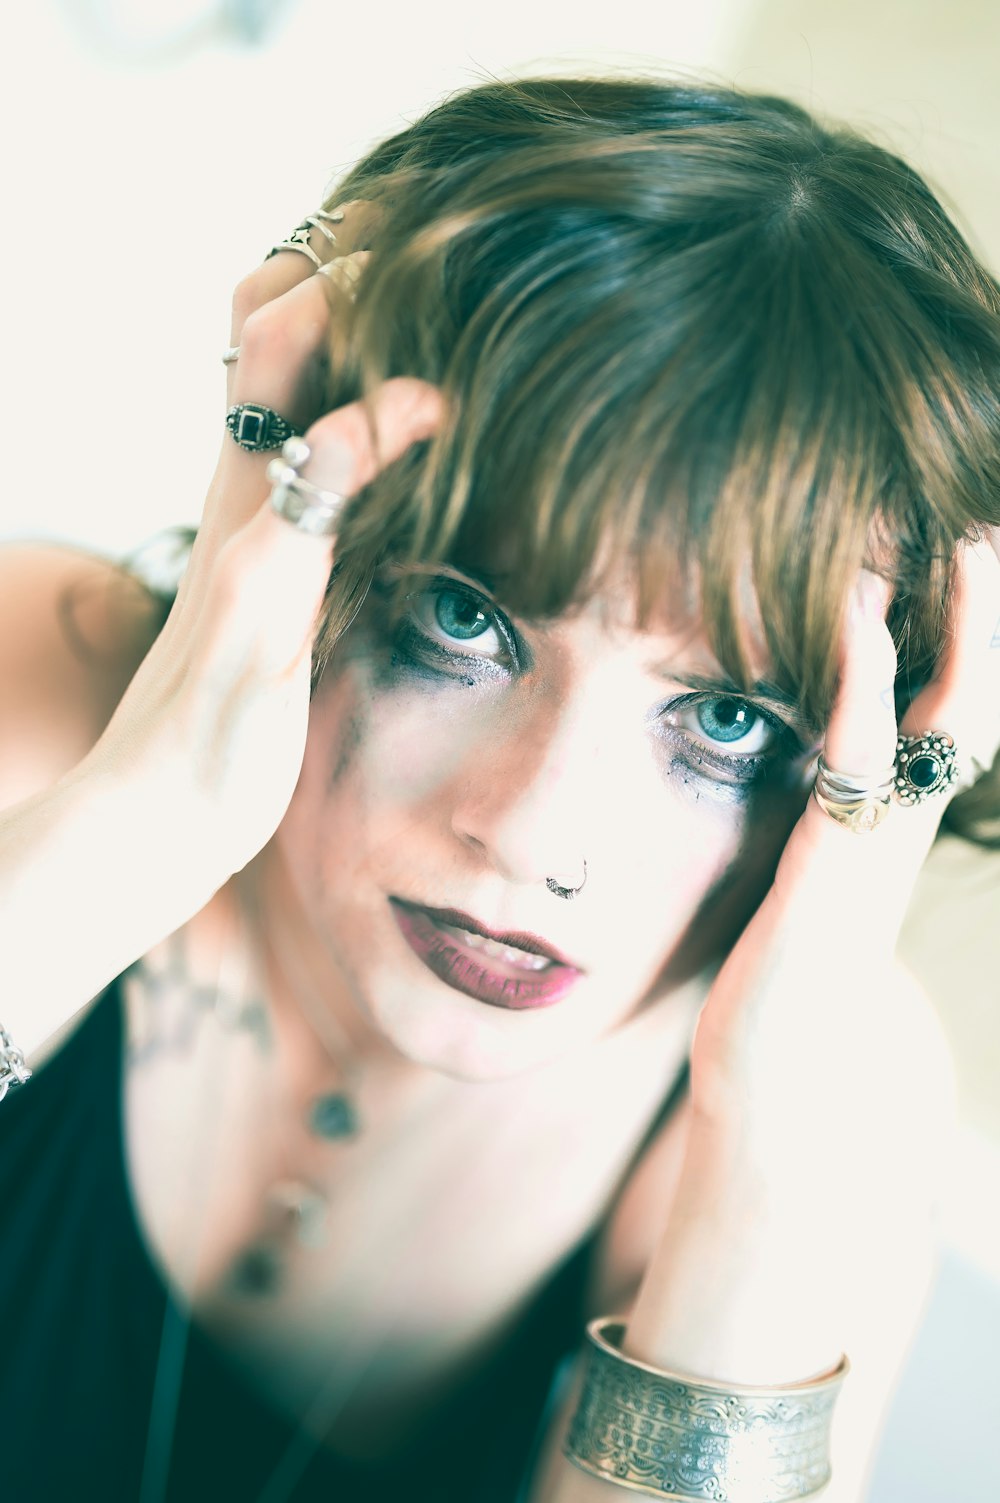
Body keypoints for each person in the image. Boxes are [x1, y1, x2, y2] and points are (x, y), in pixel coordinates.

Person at [1, 74, 998, 1503]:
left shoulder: (831, 1093)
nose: (535, 838)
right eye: (465, 622)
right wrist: (134, 821)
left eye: (725, 719)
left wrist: (765, 1133)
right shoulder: (34, 686)